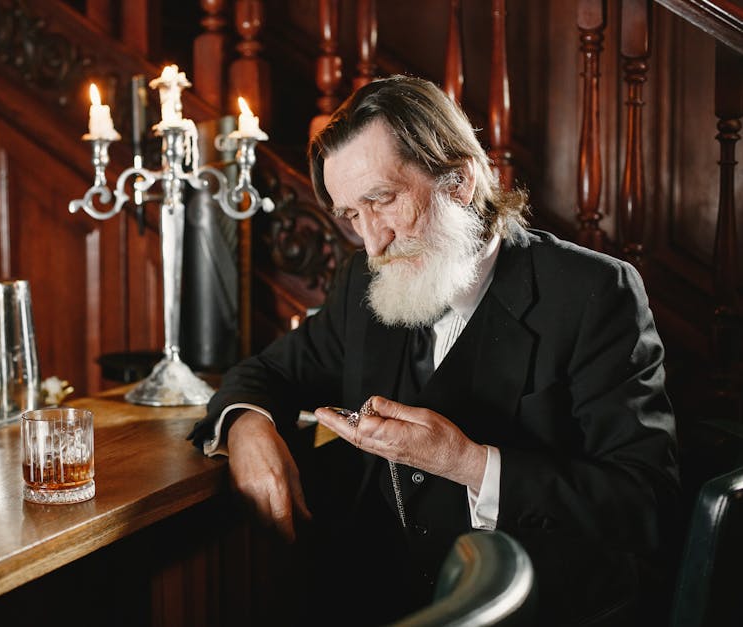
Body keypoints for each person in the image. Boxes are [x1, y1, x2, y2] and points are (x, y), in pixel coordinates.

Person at [188, 75, 680, 626]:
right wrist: (247, 428)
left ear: (459, 181)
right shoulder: (363, 283)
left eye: (382, 200)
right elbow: (265, 373)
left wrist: (468, 463)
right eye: (352, 216)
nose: (373, 242)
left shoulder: (593, 292)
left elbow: (645, 504)